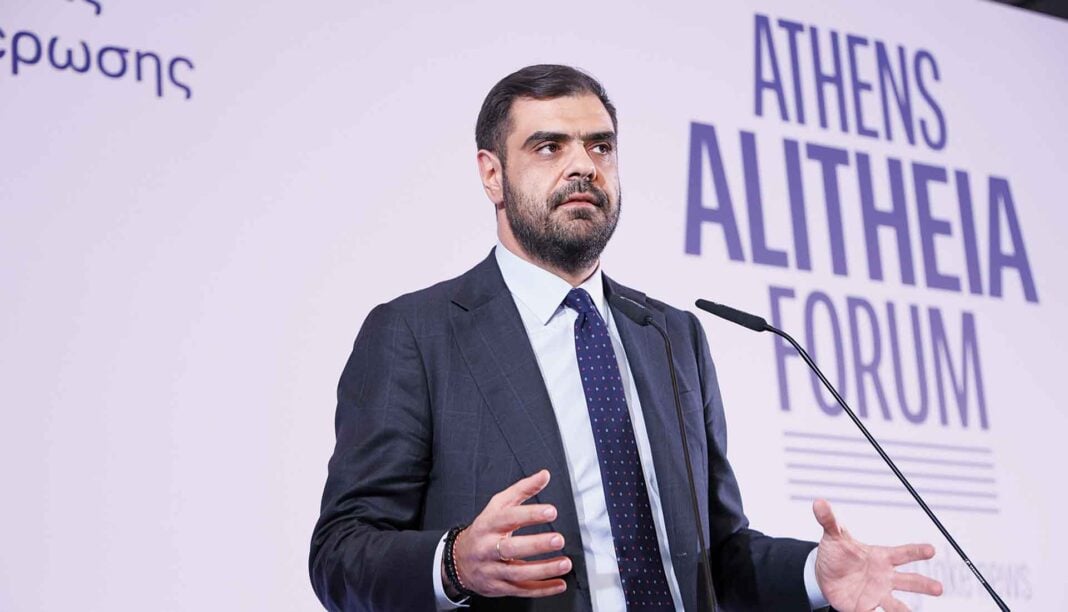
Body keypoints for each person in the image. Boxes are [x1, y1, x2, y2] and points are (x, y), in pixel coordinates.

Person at [309, 64, 944, 612]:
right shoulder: (417, 334)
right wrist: (454, 562)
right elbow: (340, 551)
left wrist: (811, 574)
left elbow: (717, 556)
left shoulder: (672, 337)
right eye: (549, 147)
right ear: (492, 174)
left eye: (601, 146)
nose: (583, 166)